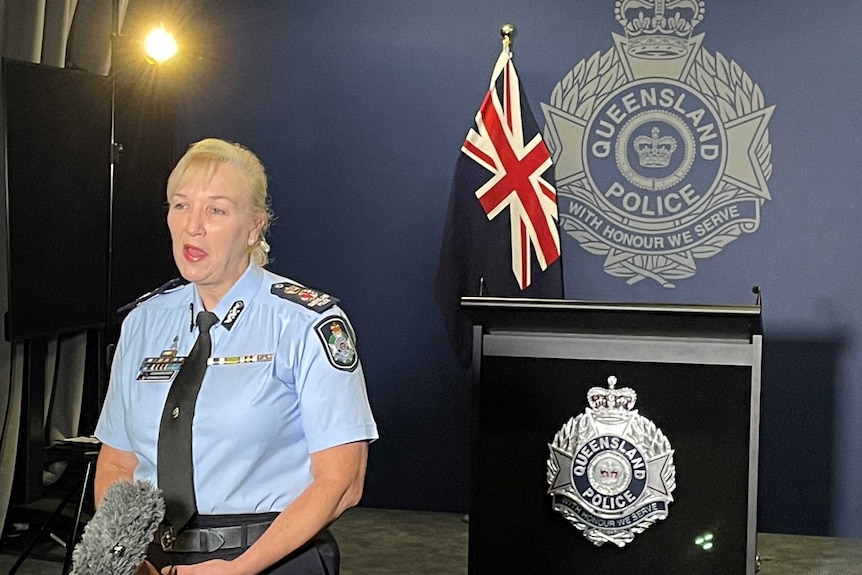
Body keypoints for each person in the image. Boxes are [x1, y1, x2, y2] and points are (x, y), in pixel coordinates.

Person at [94, 138, 378, 575]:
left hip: (272, 557)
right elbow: (117, 462)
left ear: (254, 227)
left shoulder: (307, 324)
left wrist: (240, 569)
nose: (193, 227)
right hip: (154, 562)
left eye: (217, 210)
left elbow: (342, 482)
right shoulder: (143, 324)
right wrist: (125, 557)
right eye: (181, 205)